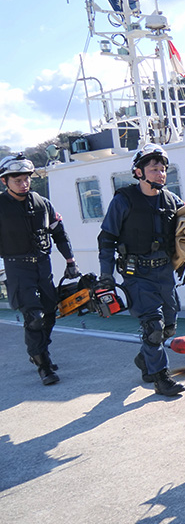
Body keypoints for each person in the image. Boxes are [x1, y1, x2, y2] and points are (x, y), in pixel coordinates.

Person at [98, 143, 185, 396]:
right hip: (137, 274)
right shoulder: (124, 200)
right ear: (139, 172)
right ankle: (161, 379)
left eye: (163, 169)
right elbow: (106, 239)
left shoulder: (172, 201)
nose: (160, 174)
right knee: (154, 327)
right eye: (154, 169)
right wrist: (106, 275)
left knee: (169, 328)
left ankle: (144, 360)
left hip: (164, 273)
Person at [0, 154, 81, 385]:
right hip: (17, 268)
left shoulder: (42, 203)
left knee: (49, 313)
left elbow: (59, 233)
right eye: (18, 180)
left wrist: (70, 261)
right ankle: (44, 365)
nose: (24, 184)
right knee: (33, 317)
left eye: (26, 179)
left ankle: (38, 352)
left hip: (43, 266)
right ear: (5, 181)